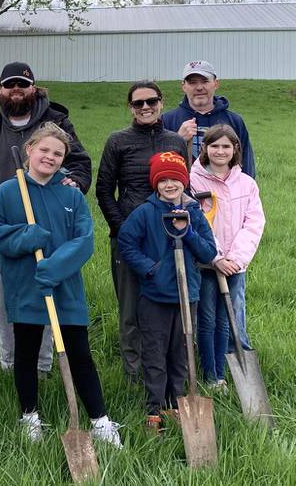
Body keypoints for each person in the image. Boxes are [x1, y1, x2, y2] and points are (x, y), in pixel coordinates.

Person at [0, 123, 122, 446]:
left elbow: (84, 240)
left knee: (80, 354)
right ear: (29, 150)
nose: (50, 157)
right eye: (44, 150)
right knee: (26, 353)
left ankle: (99, 421)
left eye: (58, 154)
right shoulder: (8, 192)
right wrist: (23, 237)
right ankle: (30, 416)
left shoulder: (71, 194)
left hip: (64, 286)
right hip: (26, 285)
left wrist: (55, 268)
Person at [0, 62, 92, 373]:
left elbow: (80, 162)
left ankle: (43, 367)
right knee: (5, 302)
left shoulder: (55, 123)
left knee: (46, 300)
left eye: (22, 84)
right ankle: (11, 364)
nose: (16, 90)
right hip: (6, 230)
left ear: (34, 88)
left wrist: (75, 181)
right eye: (9, 85)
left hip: (48, 232)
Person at [95, 81, 188, 383]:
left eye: (151, 101)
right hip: (128, 239)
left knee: (169, 306)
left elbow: (183, 188)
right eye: (138, 103)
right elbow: (104, 191)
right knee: (131, 311)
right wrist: (124, 231)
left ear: (162, 103)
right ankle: (135, 376)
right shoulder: (117, 141)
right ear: (130, 108)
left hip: (169, 238)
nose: (145, 107)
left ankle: (166, 372)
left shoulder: (175, 141)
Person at [117, 151, 217, 432]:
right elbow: (126, 244)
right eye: (163, 180)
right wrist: (151, 268)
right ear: (155, 183)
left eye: (175, 179)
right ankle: (154, 407)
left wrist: (188, 232)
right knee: (155, 353)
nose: (169, 185)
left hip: (188, 296)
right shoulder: (145, 213)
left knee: (181, 352)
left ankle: (176, 402)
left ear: (184, 181)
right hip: (155, 298)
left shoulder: (194, 213)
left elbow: (209, 252)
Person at [191, 125, 264, 384]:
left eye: (226, 146)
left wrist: (235, 259)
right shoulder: (193, 180)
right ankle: (210, 374)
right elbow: (196, 224)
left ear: (235, 149)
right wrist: (216, 257)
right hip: (206, 263)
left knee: (226, 318)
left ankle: (222, 373)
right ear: (204, 148)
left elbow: (253, 223)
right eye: (214, 146)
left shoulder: (247, 183)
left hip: (234, 265)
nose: (220, 151)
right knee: (207, 319)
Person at [161, 60, 256, 178]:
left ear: (216, 84)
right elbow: (160, 164)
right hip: (183, 193)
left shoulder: (234, 121)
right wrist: (178, 140)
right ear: (183, 86)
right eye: (192, 82)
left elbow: (246, 164)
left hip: (225, 192)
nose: (199, 87)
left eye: (205, 81)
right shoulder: (167, 120)